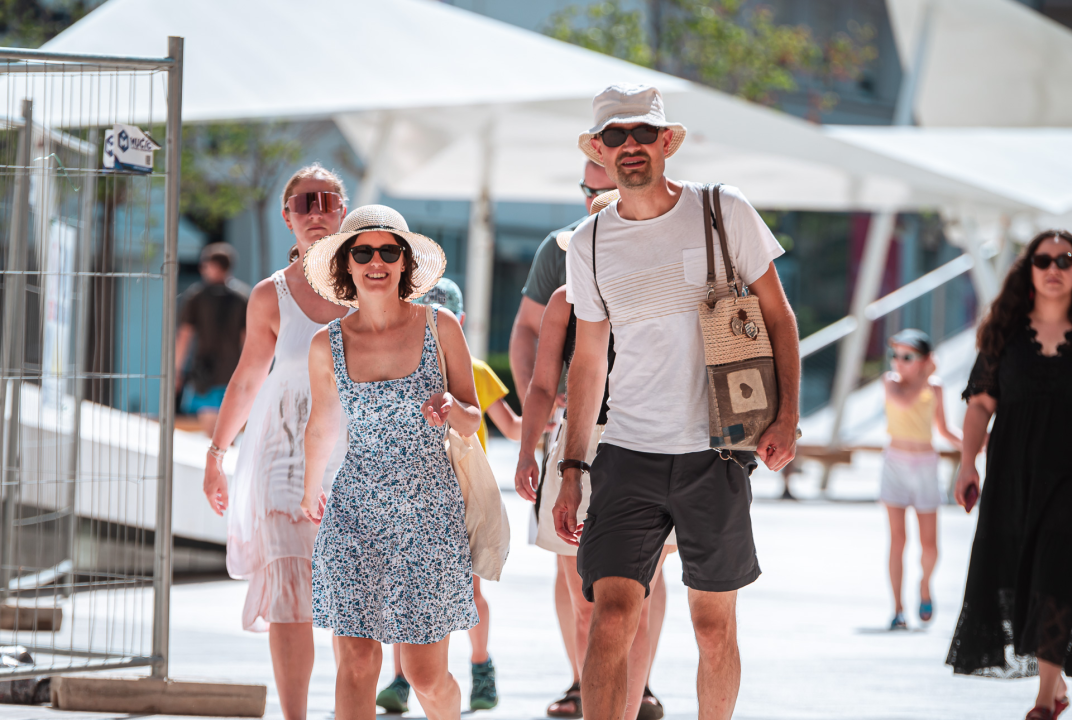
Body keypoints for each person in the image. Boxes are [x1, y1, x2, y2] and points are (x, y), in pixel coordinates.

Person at [557, 83, 800, 720]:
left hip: (716, 452)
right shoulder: (587, 244)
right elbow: (587, 362)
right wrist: (572, 469)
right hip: (628, 453)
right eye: (616, 136)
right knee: (610, 618)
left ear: (666, 142)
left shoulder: (723, 210)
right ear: (600, 152)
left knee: (712, 624)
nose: (630, 145)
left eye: (642, 133)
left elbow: (779, 317)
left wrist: (787, 417)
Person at [301, 205, 481, 720]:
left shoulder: (439, 326)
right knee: (357, 661)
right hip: (355, 512)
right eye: (363, 251)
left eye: (388, 251)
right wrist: (310, 490)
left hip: (427, 513)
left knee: (426, 677)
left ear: (404, 263)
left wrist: (453, 409)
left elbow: (472, 417)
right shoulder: (326, 344)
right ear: (347, 265)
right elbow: (321, 426)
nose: (375, 262)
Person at [201, 164, 351, 720]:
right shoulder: (270, 296)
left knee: (349, 595)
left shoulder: (373, 282)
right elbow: (246, 378)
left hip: (353, 462)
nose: (315, 212)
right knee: (291, 592)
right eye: (303, 203)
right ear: (286, 217)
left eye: (326, 200)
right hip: (282, 455)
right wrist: (217, 455)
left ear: (343, 210)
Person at [516, 277, 677, 720]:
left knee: (635, 609)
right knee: (587, 609)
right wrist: (527, 449)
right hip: (579, 448)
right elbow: (544, 384)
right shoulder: (566, 299)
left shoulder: (665, 287)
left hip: (654, 445)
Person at [376, 277, 521, 714]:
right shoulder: (399, 361)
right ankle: (402, 678)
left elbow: (507, 425)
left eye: (447, 320)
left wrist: (546, 417)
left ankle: (480, 666)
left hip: (460, 497)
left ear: (459, 323)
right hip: (413, 497)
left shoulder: (473, 369)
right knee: (405, 589)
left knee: (470, 588)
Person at [949, 229, 1072, 720]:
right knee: (1025, 573)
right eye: (1044, 260)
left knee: (1054, 566)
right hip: (1013, 474)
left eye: (1066, 259)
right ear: (1030, 269)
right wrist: (966, 463)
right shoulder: (1003, 333)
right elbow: (980, 405)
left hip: (1069, 474)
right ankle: (1056, 680)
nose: (1055, 268)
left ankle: (1044, 697)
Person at [881, 328, 962, 630]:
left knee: (930, 547)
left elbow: (945, 430)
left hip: (926, 465)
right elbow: (902, 403)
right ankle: (898, 609)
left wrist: (977, 443)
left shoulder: (935, 388)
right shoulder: (891, 382)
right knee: (898, 540)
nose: (899, 362)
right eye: (896, 355)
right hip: (895, 463)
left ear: (924, 359)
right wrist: (925, 376)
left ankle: (925, 586)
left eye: (907, 356)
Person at [176, 243, 249, 437]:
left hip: (204, 375)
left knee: (211, 435)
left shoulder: (196, 296)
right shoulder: (242, 297)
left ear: (213, 266)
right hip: (234, 375)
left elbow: (185, 336)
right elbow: (247, 340)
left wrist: (177, 370)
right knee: (229, 435)